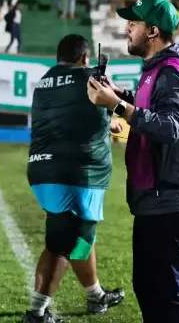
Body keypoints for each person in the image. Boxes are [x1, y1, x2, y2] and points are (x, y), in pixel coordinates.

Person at [87, 0, 179, 323]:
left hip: (172, 197)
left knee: (165, 294)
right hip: (164, 196)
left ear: (153, 31)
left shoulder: (170, 71)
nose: (127, 27)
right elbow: (154, 109)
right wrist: (120, 96)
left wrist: (117, 105)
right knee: (149, 287)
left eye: (134, 22)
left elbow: (170, 127)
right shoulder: (162, 67)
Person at [21, 34, 125, 323]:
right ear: (85, 57)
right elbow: (112, 104)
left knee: (78, 235)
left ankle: (96, 296)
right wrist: (113, 121)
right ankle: (37, 312)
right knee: (65, 242)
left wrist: (107, 124)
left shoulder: (44, 81)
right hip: (79, 172)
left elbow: (70, 116)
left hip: (42, 170)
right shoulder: (94, 77)